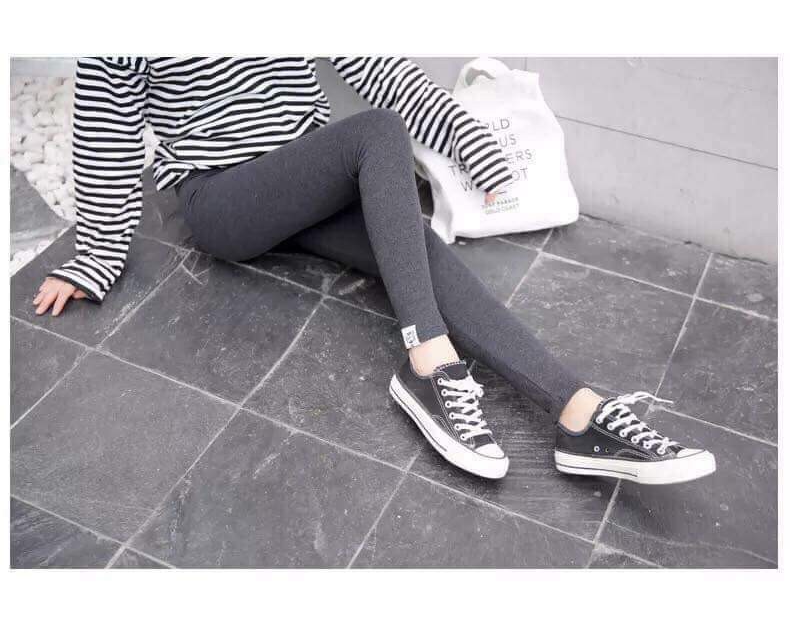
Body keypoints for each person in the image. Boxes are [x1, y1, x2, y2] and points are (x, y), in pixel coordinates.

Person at [33, 57, 716, 485]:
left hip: (308, 177)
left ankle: (578, 413)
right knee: (378, 133)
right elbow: (104, 130)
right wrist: (96, 254)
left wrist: (462, 135)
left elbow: (374, 64)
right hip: (226, 200)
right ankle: (429, 364)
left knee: (414, 250)